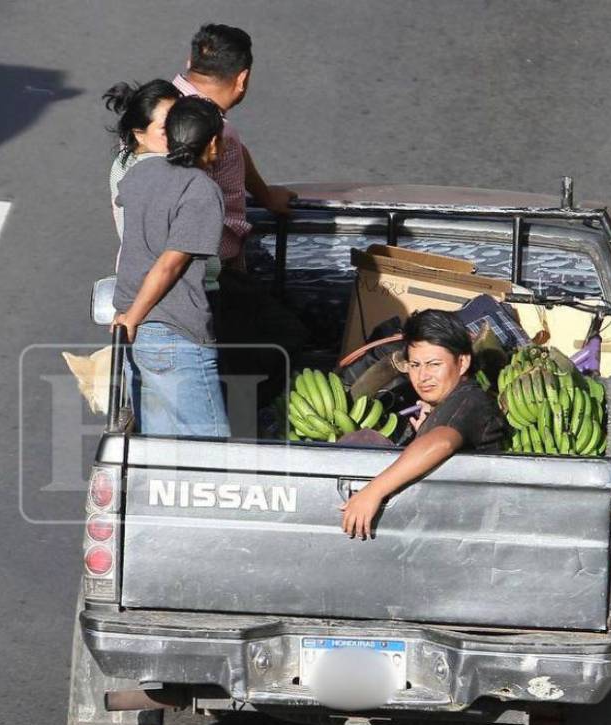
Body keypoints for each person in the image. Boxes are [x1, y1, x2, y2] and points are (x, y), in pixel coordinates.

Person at [172, 24, 310, 406]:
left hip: (179, 273)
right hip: (207, 277)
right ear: (242, 79)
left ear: (189, 61)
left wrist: (265, 195)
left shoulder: (161, 111)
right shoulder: (212, 133)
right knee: (284, 340)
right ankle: (247, 420)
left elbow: (236, 149)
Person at [110, 96, 228, 437]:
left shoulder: (141, 173)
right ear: (213, 142)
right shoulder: (201, 190)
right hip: (175, 335)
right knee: (209, 451)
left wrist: (129, 319)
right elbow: (169, 265)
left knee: (158, 451)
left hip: (137, 339)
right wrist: (133, 317)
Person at [340, 309, 508, 538]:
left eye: (433, 364)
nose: (423, 376)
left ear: (462, 362)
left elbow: (441, 443)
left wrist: (373, 492)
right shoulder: (449, 402)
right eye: (415, 365)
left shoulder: (470, 401)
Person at [103, 79, 181, 241]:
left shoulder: (125, 160)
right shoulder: (156, 175)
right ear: (139, 134)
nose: (179, 132)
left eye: (180, 122)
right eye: (165, 129)